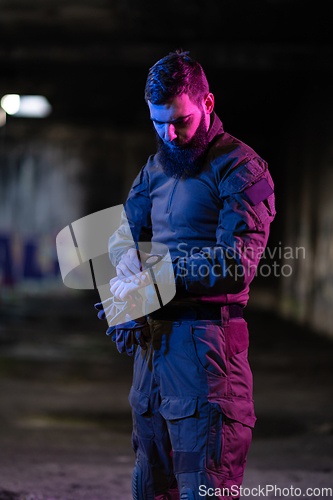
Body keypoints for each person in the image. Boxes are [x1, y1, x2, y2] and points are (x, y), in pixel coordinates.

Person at [97, 50, 275, 500]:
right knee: (151, 485)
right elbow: (123, 234)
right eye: (158, 123)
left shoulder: (241, 168)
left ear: (208, 104)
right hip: (153, 353)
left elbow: (235, 262)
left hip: (208, 358)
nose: (170, 135)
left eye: (181, 121)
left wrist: (152, 279)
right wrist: (125, 272)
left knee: (205, 488)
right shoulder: (154, 169)